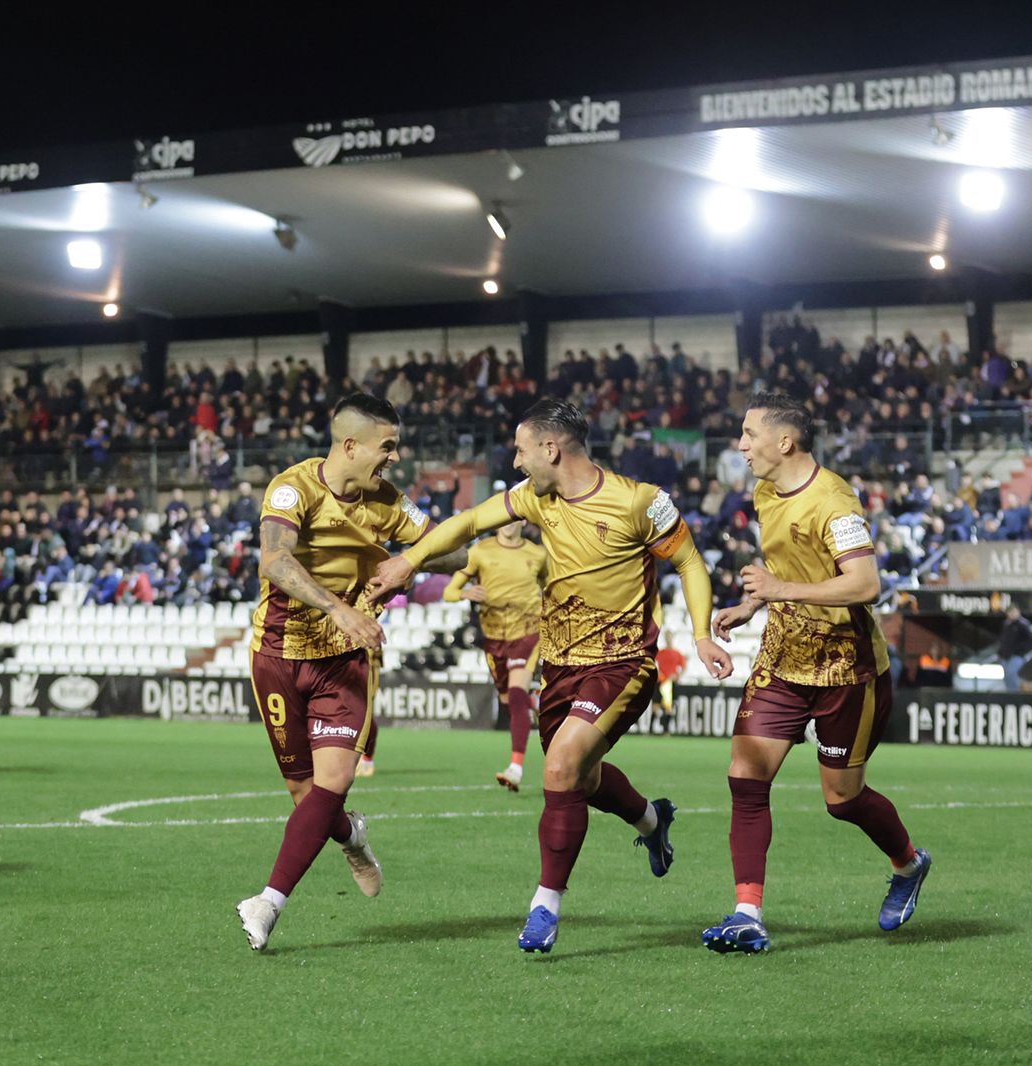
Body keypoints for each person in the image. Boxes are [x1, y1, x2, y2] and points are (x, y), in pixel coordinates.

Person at [369, 397, 731, 954]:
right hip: (560, 664)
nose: (515, 463)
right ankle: (652, 822)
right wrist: (406, 562)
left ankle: (545, 906)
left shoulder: (640, 502)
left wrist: (701, 633)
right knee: (580, 781)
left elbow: (688, 562)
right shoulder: (537, 500)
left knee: (560, 767)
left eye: (519, 450)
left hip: (621, 661)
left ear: (550, 448)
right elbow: (467, 522)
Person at [702, 391, 930, 954]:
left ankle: (908, 863)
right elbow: (785, 567)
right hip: (783, 656)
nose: (740, 445)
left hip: (846, 666)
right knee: (745, 777)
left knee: (842, 800)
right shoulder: (763, 491)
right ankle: (747, 913)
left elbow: (866, 584)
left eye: (749, 434)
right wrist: (755, 604)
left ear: (785, 442)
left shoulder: (835, 501)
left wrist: (779, 590)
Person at [235, 393, 462, 951]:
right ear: (351, 445)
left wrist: (413, 559)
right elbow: (275, 560)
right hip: (279, 654)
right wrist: (338, 606)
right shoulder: (293, 489)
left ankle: (268, 902)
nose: (394, 457)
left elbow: (452, 551)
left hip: (344, 660)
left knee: (331, 785)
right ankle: (352, 836)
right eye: (387, 446)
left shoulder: (388, 502)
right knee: (305, 793)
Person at [442, 521, 547, 790]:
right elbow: (449, 592)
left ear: (523, 520)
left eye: (513, 518)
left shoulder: (537, 554)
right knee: (510, 701)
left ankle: (515, 767)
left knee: (514, 694)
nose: (508, 523)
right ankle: (532, 702)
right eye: (503, 518)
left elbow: (552, 589)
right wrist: (467, 593)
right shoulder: (479, 551)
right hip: (494, 636)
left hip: (527, 632)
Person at [998, 605, 1032, 691]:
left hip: (1017, 655)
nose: (1012, 614)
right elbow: (1003, 640)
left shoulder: (1023, 624)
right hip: (1005, 655)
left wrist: (1020, 651)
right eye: (1010, 612)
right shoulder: (1007, 624)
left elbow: (1029, 640)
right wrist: (1000, 652)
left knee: (1011, 673)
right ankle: (1009, 694)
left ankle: (1015, 695)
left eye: (1014, 612)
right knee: (1006, 676)